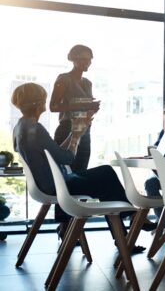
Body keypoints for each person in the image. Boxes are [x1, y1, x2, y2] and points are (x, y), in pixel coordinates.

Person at [12, 83, 147, 254]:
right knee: (107, 177)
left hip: (48, 184)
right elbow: (67, 158)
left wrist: (75, 133)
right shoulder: (35, 129)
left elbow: (54, 154)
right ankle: (128, 224)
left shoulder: (21, 127)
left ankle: (128, 223)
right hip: (57, 186)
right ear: (39, 103)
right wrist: (76, 137)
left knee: (106, 173)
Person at [50, 44, 100, 172]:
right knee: (65, 171)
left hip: (85, 130)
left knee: (81, 171)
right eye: (83, 59)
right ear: (74, 59)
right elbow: (53, 106)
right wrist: (83, 105)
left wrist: (93, 108)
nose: (87, 62)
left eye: (89, 59)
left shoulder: (88, 83)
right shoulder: (64, 79)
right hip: (67, 129)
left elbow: (85, 108)